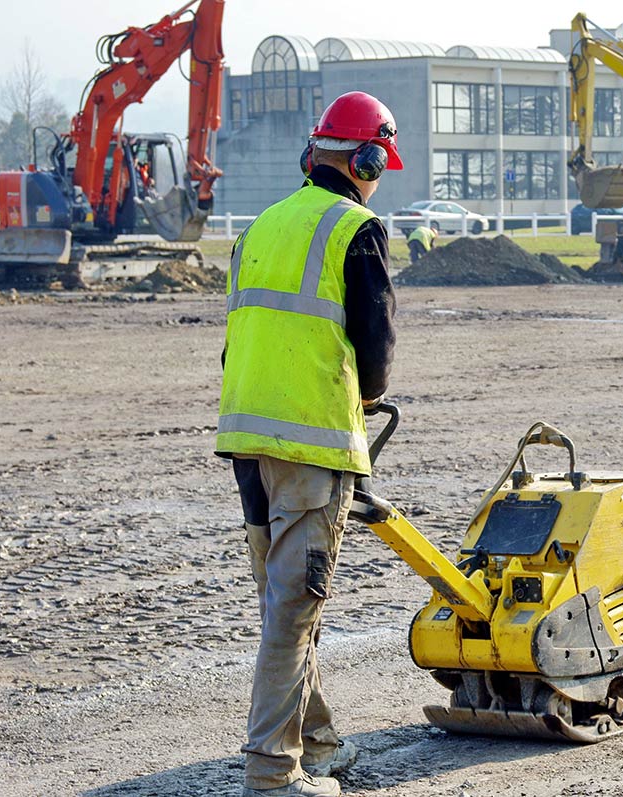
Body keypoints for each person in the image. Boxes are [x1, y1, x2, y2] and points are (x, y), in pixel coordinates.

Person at [216, 91, 401, 797]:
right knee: (296, 605)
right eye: (379, 163)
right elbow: (376, 346)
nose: (378, 176)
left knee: (281, 595)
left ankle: (317, 737)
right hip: (311, 442)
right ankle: (272, 773)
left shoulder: (259, 227)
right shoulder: (356, 226)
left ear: (309, 153)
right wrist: (369, 397)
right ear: (366, 158)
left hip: (245, 434)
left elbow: (240, 338)